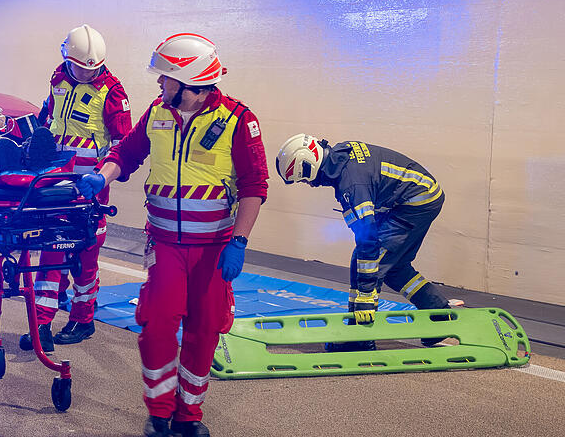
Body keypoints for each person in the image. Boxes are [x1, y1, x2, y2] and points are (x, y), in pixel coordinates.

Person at [76, 33, 268, 437]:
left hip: (214, 248)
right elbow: (125, 153)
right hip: (164, 243)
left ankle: (189, 415)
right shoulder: (158, 113)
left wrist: (239, 242)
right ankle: (159, 412)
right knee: (158, 323)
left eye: (165, 78)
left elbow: (254, 186)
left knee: (205, 327)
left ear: (188, 80)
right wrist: (102, 176)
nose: (159, 85)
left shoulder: (238, 119)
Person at [275, 134, 451, 350]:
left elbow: (368, 241)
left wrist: (366, 295)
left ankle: (360, 335)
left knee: (369, 262)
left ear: (308, 165)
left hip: (414, 203)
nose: (308, 184)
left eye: (303, 178)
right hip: (418, 196)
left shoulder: (351, 185)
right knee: (395, 269)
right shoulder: (341, 158)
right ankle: (438, 313)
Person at [19, 24, 132, 353]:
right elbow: (50, 117)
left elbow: (124, 143)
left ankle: (83, 319)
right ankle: (41, 322)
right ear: (67, 60)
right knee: (51, 250)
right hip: (55, 181)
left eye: (91, 69)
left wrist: (103, 176)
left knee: (85, 256)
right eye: (79, 67)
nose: (84, 74)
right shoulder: (58, 77)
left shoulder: (113, 92)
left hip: (90, 188)